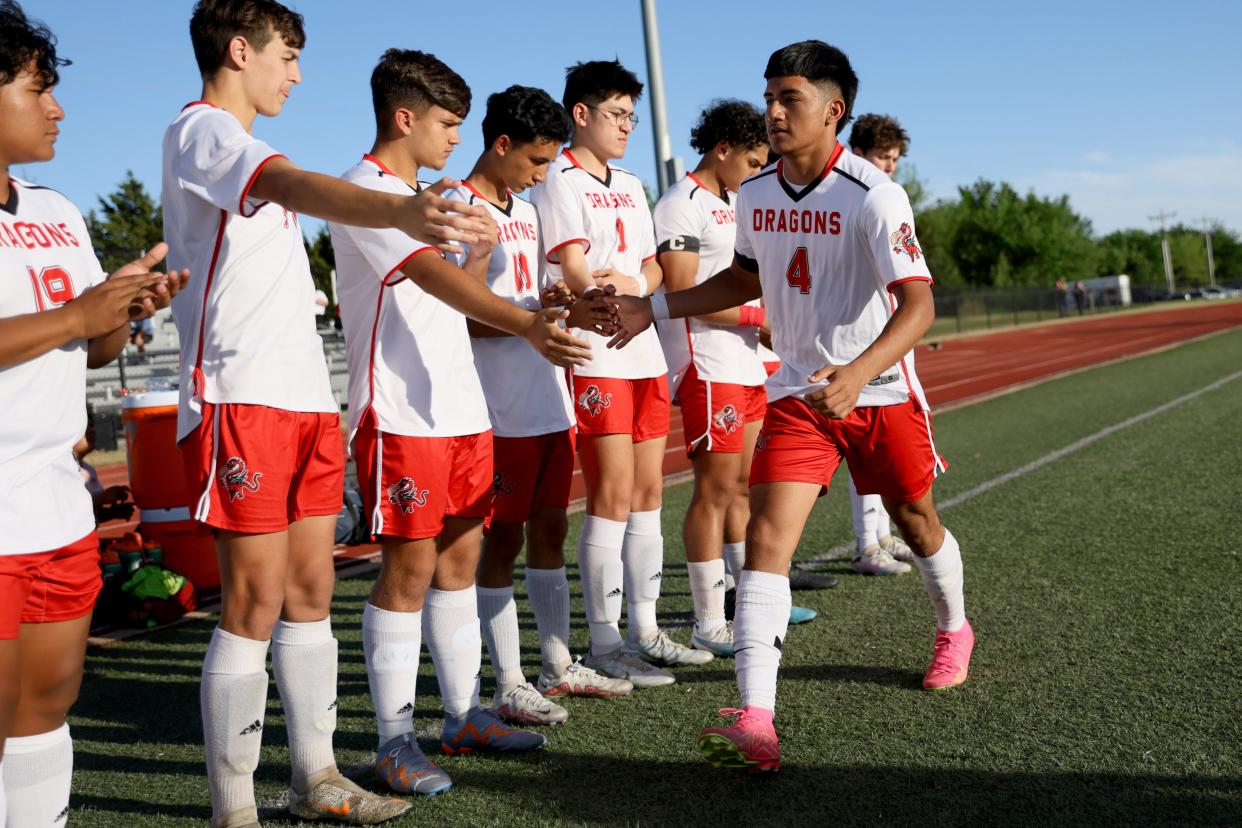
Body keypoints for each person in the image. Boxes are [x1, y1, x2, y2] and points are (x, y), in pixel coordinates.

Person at [163, 2, 496, 824]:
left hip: (306, 402)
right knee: (252, 601)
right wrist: (396, 209)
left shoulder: (250, 151)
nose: (298, 73)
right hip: (240, 399)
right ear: (240, 50)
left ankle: (316, 779)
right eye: (289, 54)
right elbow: (285, 182)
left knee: (312, 590)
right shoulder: (202, 130)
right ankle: (233, 807)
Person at [607, 40, 974, 772]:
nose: (773, 112)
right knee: (770, 542)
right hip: (799, 396)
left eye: (790, 99)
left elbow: (920, 303)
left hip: (881, 393)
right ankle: (756, 718)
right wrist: (653, 306)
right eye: (770, 97)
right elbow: (742, 278)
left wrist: (860, 372)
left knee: (916, 519)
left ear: (834, 111)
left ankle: (954, 628)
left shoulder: (875, 193)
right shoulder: (760, 192)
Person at [330, 53, 605, 796]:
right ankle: (392, 741)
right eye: (449, 123)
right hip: (402, 412)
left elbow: (457, 295)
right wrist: (526, 322)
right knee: (408, 571)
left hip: (460, 410)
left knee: (458, 563)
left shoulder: (423, 196)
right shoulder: (368, 194)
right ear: (405, 117)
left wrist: (485, 263)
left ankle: (462, 715)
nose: (458, 137)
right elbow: (427, 276)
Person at [0, 3, 187, 823]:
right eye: (37, 88)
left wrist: (121, 308)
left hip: (52, 503)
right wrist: (79, 315)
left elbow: (92, 353)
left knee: (45, 708)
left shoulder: (56, 211)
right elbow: (66, 324)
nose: (58, 107)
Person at [451, 85, 635, 715]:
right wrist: (529, 318)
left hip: (547, 397)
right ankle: (507, 683)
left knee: (552, 528)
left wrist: (562, 306)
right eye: (534, 161)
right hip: (495, 407)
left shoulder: (525, 213)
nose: (541, 175)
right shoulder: (457, 207)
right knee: (501, 542)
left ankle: (556, 665)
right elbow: (459, 314)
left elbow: (530, 299)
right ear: (501, 144)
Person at [531, 59, 707, 687]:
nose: (628, 124)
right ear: (580, 114)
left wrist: (635, 285)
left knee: (649, 496)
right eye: (617, 114)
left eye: (633, 114)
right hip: (598, 350)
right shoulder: (559, 178)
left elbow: (655, 266)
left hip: (645, 351)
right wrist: (607, 299)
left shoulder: (632, 184)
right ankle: (603, 643)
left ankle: (645, 630)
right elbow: (575, 268)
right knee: (609, 497)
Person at [653, 100, 820, 657]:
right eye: (751, 161)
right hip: (708, 366)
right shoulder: (682, 203)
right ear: (721, 150)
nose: (757, 172)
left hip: (747, 364)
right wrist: (757, 316)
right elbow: (680, 295)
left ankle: (750, 600)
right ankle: (706, 620)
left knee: (748, 486)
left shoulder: (733, 200)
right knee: (714, 491)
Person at [844, 113, 917, 575]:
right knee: (862, 447)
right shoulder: (849, 194)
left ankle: (881, 535)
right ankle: (864, 544)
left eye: (893, 160)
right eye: (882, 157)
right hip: (851, 340)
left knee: (879, 448)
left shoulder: (882, 195)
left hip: (883, 333)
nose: (888, 167)